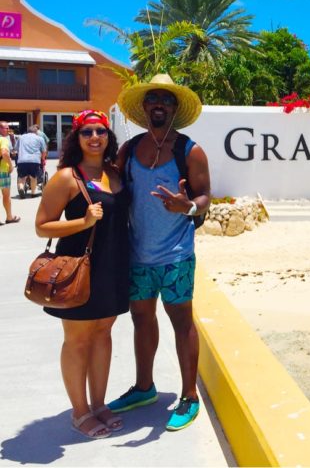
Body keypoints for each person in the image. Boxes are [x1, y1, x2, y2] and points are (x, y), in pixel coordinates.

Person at [108, 73, 210, 431]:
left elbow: (205, 198)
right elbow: (115, 183)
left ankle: (189, 396)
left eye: (166, 100)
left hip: (177, 254)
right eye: (153, 99)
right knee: (141, 320)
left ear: (174, 108)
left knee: (182, 322)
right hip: (139, 255)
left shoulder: (189, 150)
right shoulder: (130, 149)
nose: (159, 105)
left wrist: (188, 207)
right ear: (144, 107)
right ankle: (144, 387)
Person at [35, 110, 130, 439]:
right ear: (76, 138)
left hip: (114, 266)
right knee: (77, 341)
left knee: (103, 334)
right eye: (87, 131)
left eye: (100, 131)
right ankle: (79, 412)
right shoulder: (66, 177)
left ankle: (99, 403)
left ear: (108, 136)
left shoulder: (114, 173)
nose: (94, 137)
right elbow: (42, 226)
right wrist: (83, 222)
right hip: (78, 268)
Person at [16, 125, 47, 198]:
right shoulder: (40, 138)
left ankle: (21, 188)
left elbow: (17, 149)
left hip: (22, 160)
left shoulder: (21, 138)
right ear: (36, 132)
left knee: (21, 178)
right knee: (33, 178)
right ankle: (33, 193)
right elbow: (44, 151)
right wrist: (42, 159)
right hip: (34, 160)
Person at [0, 121, 19, 224]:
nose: (7, 130)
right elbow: (4, 153)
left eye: (8, 128)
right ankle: (9, 217)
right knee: (6, 196)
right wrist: (11, 166)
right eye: (5, 128)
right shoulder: (3, 139)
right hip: (3, 171)